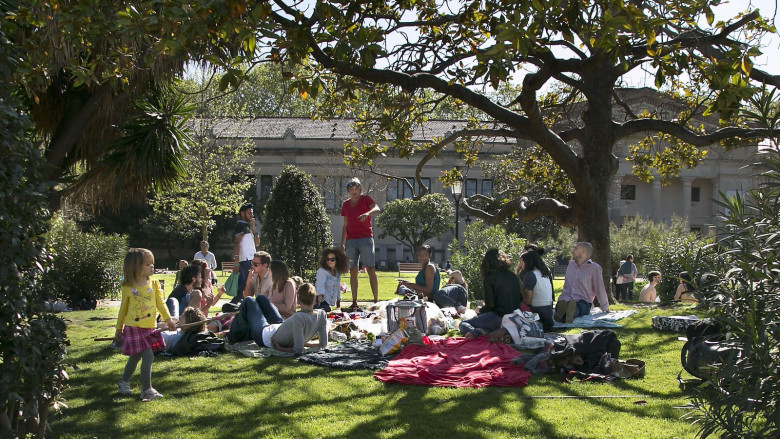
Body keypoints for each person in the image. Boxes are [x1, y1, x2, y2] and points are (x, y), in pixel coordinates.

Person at [115, 248, 175, 401]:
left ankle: (123, 382)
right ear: (136, 266)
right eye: (147, 264)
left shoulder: (154, 284)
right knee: (148, 356)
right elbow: (123, 309)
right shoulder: (128, 287)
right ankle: (146, 390)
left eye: (152, 263)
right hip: (134, 328)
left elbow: (161, 303)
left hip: (149, 327)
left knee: (135, 356)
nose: (152, 266)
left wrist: (168, 320)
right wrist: (119, 329)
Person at [227, 283, 328, 355]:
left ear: (298, 298)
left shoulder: (299, 317)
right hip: (280, 327)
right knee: (261, 298)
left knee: (249, 300)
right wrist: (308, 343)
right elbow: (323, 344)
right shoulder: (322, 314)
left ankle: (232, 337)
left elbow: (298, 349)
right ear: (314, 298)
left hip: (264, 336)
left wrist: (280, 348)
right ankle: (243, 327)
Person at [459, 249, 521, 339]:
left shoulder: (489, 277)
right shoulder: (513, 276)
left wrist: (481, 310)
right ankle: (491, 331)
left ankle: (477, 332)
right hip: (514, 317)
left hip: (498, 316)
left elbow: (490, 305)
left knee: (463, 324)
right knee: (486, 320)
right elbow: (520, 298)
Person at [340, 177, 380, 311]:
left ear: (360, 189)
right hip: (351, 241)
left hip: (365, 239)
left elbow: (377, 209)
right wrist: (342, 244)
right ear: (348, 191)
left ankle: (376, 301)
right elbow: (345, 225)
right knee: (353, 271)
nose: (354, 191)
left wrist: (367, 213)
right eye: (351, 189)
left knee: (371, 269)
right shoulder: (346, 204)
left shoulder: (366, 199)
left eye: (356, 189)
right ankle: (354, 302)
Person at [555, 242, 610, 323]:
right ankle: (565, 313)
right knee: (562, 305)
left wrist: (605, 307)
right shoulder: (571, 265)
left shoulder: (594, 267)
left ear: (583, 252)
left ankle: (566, 314)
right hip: (566, 298)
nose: (573, 251)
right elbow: (566, 284)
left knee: (578, 307)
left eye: (575, 249)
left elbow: (599, 288)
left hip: (583, 301)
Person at [515, 249, 555, 331]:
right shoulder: (544, 273)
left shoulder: (530, 275)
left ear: (528, 262)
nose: (520, 265)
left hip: (538, 311)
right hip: (548, 310)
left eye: (522, 262)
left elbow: (527, 301)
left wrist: (516, 274)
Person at [232, 202, 260, 302]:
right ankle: (236, 303)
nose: (251, 215)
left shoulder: (249, 226)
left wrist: (254, 228)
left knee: (245, 283)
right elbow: (237, 243)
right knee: (245, 284)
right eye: (249, 213)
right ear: (242, 213)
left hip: (252, 259)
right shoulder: (240, 225)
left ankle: (237, 303)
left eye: (252, 213)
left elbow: (257, 243)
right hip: (244, 259)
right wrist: (236, 261)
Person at [314, 247, 349, 312]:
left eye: (332, 260)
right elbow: (320, 287)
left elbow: (337, 288)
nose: (329, 261)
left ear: (337, 260)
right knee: (326, 309)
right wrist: (318, 304)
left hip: (329, 302)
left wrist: (338, 306)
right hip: (321, 301)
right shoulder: (322, 271)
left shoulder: (337, 272)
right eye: (327, 259)